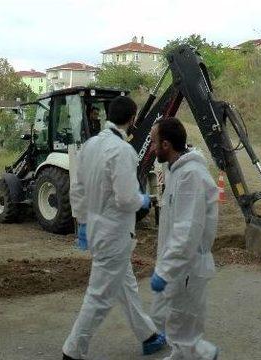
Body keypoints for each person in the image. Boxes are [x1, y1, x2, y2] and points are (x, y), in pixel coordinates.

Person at [63, 96, 166, 360]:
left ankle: (149, 336)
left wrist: (84, 223)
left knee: (126, 285)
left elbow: (78, 188)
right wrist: (145, 199)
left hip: (97, 229)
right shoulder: (123, 152)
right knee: (98, 296)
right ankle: (72, 351)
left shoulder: (90, 146)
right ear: (132, 120)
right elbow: (126, 199)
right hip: (115, 233)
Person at [149, 118, 219, 360]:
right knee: (178, 329)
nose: (151, 148)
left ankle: (203, 354)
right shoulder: (177, 172)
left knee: (183, 330)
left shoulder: (190, 176)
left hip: (186, 268)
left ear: (166, 145)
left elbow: (186, 231)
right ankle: (203, 353)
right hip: (181, 267)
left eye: (154, 142)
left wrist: (165, 270)